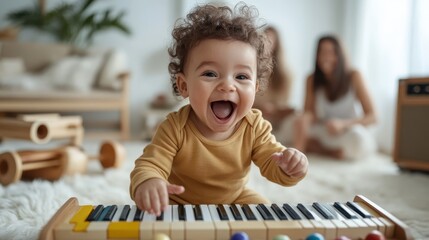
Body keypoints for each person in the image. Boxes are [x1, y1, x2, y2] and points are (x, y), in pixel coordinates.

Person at [130, 2, 308, 216]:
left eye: (241, 77)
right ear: (184, 85)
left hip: (233, 199)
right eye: (210, 74)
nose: (227, 85)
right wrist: (150, 181)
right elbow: (151, 163)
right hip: (178, 200)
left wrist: (289, 165)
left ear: (255, 88)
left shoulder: (254, 127)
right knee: (152, 214)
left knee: (264, 211)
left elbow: (273, 161)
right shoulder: (174, 127)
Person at [294, 35, 377, 159]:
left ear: (340, 55)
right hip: (326, 129)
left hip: (349, 129)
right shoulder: (311, 79)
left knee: (358, 138)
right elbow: (309, 113)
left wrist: (343, 124)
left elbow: (373, 116)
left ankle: (321, 149)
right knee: (295, 122)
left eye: (331, 52)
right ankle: (299, 155)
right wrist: (304, 120)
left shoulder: (354, 76)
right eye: (322, 52)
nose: (326, 57)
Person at [253, 25, 296, 145]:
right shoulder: (251, 68)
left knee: (297, 118)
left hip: (276, 119)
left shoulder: (286, 75)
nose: (267, 44)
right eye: (264, 40)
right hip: (254, 115)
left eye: (271, 41)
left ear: (277, 45)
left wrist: (274, 109)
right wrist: (261, 107)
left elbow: (284, 104)